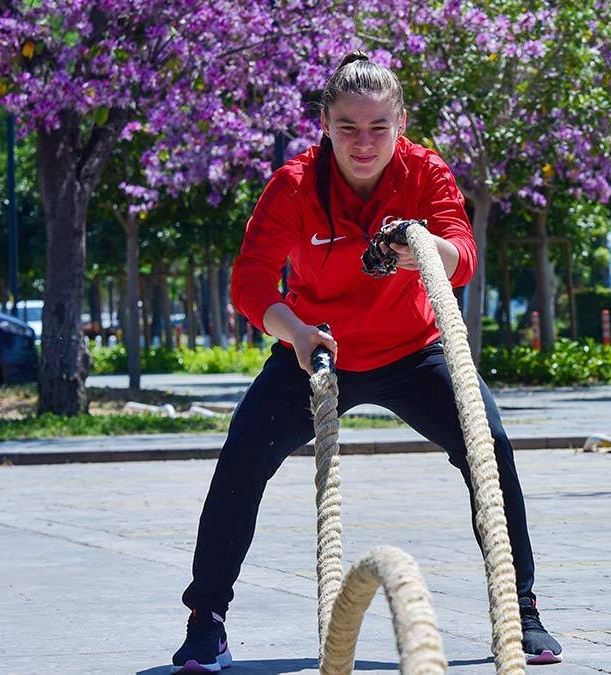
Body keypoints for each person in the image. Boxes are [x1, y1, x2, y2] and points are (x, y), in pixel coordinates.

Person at [171, 52, 563, 673]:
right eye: (349, 127)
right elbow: (249, 283)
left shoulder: (425, 171)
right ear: (324, 123)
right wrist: (294, 332)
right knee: (242, 455)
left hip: (414, 350)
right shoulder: (294, 186)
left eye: (379, 127)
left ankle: (522, 612)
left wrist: (424, 247)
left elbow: (461, 252)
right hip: (315, 349)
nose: (364, 142)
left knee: (490, 448)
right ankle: (206, 621)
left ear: (401, 124)